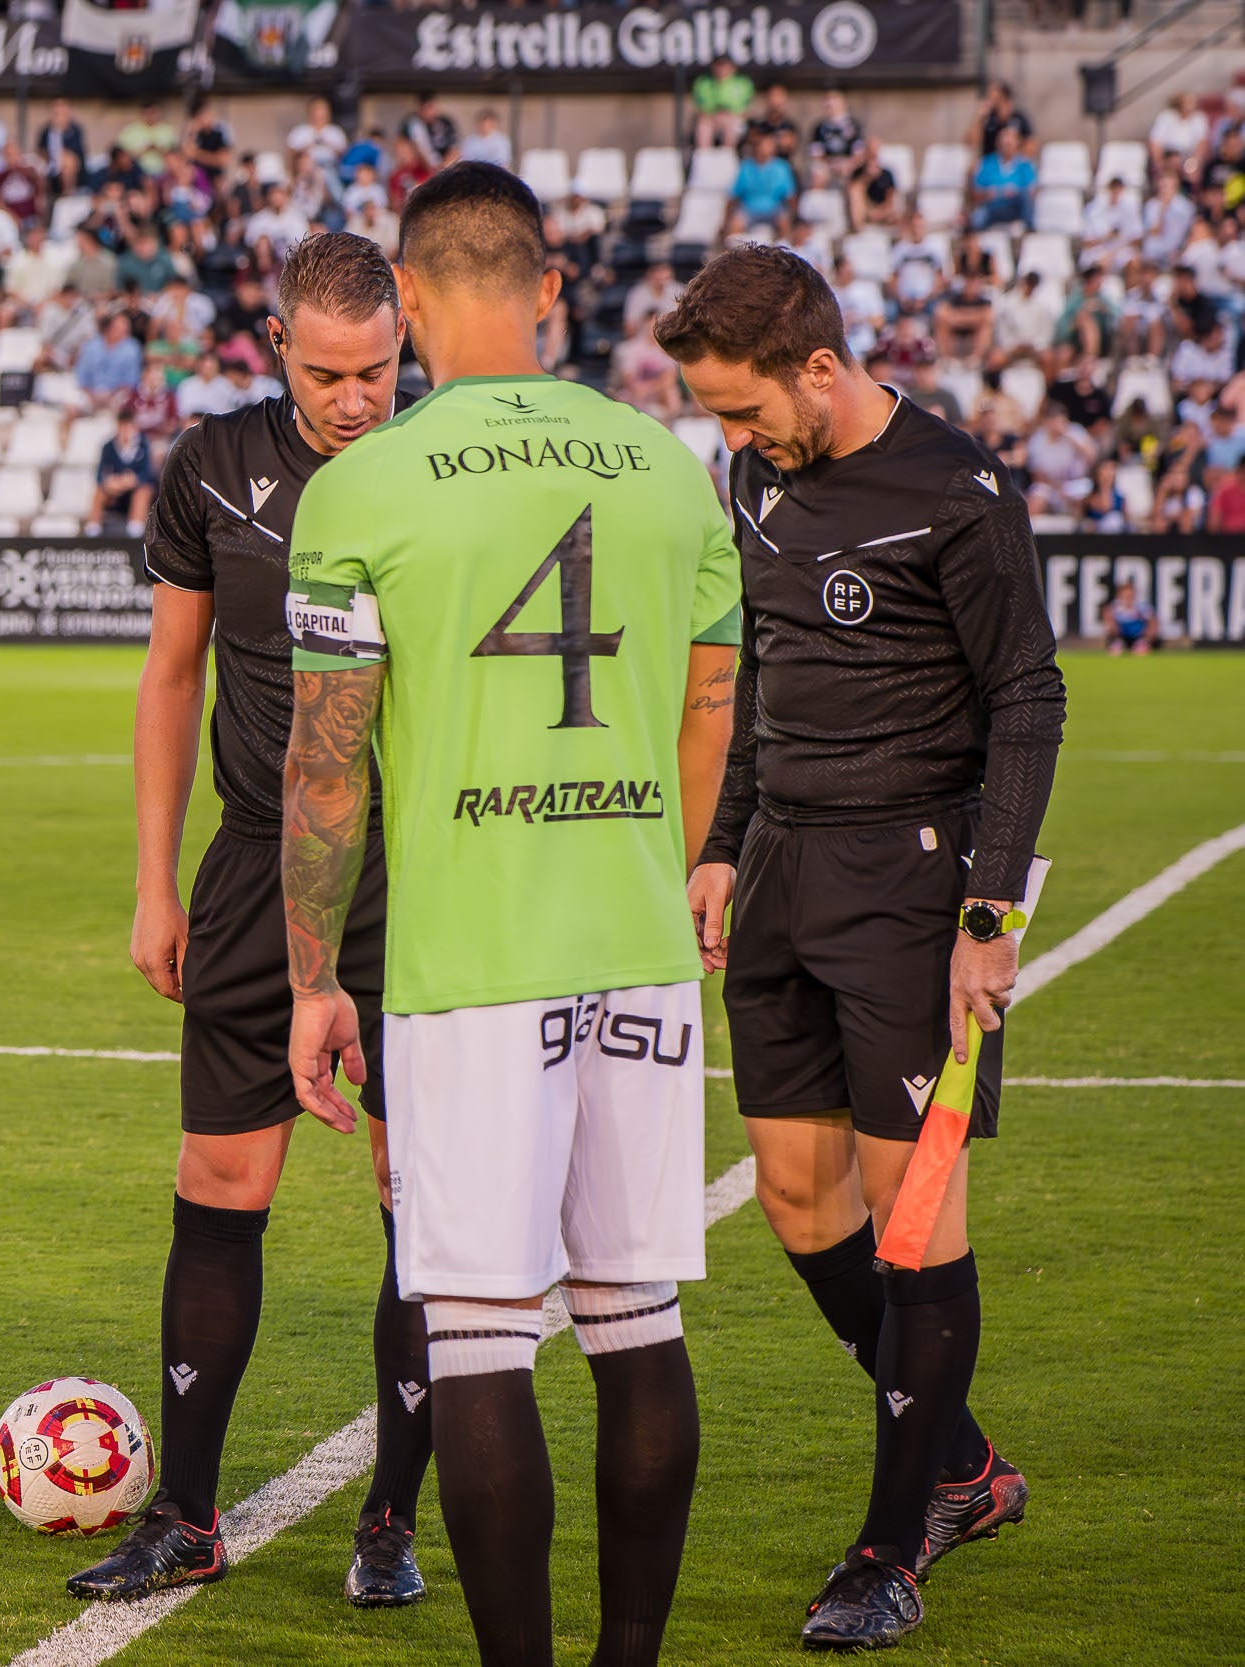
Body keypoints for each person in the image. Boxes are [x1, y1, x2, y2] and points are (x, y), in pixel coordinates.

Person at [283, 162, 741, 1667]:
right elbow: (713, 708)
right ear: (549, 288)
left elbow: (326, 764)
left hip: (470, 962)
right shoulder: (671, 466)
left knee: (480, 1324)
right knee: (634, 1310)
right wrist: (662, 867)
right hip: (638, 944)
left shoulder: (360, 487)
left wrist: (313, 977)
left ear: (407, 299)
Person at [656, 243, 1064, 1649]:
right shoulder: (754, 475)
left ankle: (894, 1544)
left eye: (742, 406)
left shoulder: (957, 491)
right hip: (779, 867)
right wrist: (723, 840)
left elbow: (1028, 697)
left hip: (910, 881)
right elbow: (766, 675)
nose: (733, 433)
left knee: (913, 1216)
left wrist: (989, 917)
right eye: (714, 413)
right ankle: (964, 1461)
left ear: (819, 367)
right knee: (794, 1197)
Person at [62, 232, 434, 1609]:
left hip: (424, 883)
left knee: (417, 1201)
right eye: (328, 373)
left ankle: (390, 1520)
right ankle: (187, 1513)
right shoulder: (214, 465)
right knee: (219, 1183)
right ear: (279, 346)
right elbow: (172, 674)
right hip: (250, 875)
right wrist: (155, 881)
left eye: (376, 369)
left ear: (405, 343)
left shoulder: (443, 466)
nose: (355, 398)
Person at [86, 409, 156, 534]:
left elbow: (148, 474)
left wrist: (133, 480)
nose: (126, 431)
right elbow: (100, 474)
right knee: (99, 490)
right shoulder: (108, 446)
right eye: (123, 427)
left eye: (129, 427)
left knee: (144, 490)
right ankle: (93, 527)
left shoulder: (144, 444)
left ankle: (136, 528)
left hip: (135, 489)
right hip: (114, 491)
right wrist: (111, 482)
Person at [969, 128, 1036, 231]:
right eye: (1003, 144)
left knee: (1024, 196)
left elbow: (1031, 192)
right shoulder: (987, 163)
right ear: (998, 144)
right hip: (992, 206)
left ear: (1017, 144)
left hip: (1014, 207)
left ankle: (1027, 229)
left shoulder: (1025, 164)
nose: (1006, 147)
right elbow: (976, 192)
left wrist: (1013, 192)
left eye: (1009, 144)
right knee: (977, 217)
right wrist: (988, 194)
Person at [693, 55, 754, 150]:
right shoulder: (703, 82)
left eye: (725, 66)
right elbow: (700, 110)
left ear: (733, 68)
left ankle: (727, 155)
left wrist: (728, 116)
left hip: (733, 118)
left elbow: (746, 111)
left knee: (734, 125)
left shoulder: (744, 83)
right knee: (703, 125)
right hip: (711, 118)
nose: (722, 69)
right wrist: (714, 116)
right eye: (719, 65)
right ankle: (704, 155)